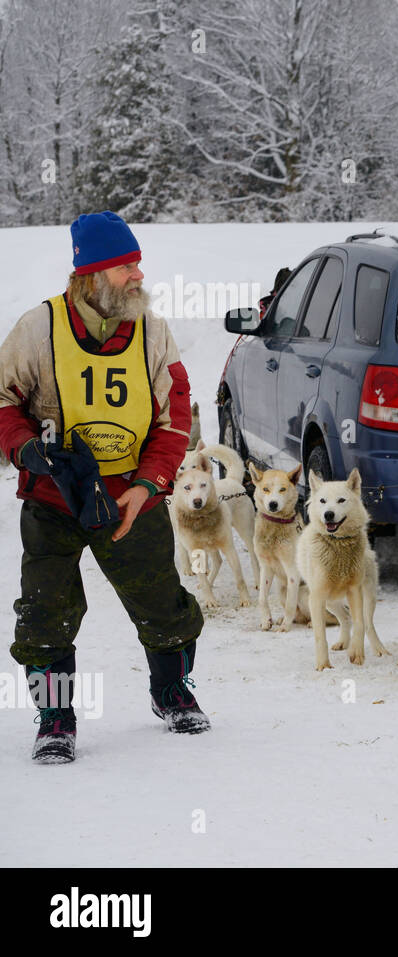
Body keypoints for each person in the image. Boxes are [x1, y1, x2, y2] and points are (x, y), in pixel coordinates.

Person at [0, 211, 207, 764]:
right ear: (89, 276)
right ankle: (56, 718)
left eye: (137, 263)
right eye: (123, 267)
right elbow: (2, 401)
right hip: (54, 502)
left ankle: (172, 692)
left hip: (131, 500)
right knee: (45, 615)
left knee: (163, 604)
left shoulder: (153, 332)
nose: (137, 275)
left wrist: (148, 486)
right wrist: (23, 447)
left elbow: (174, 419)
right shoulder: (36, 329)